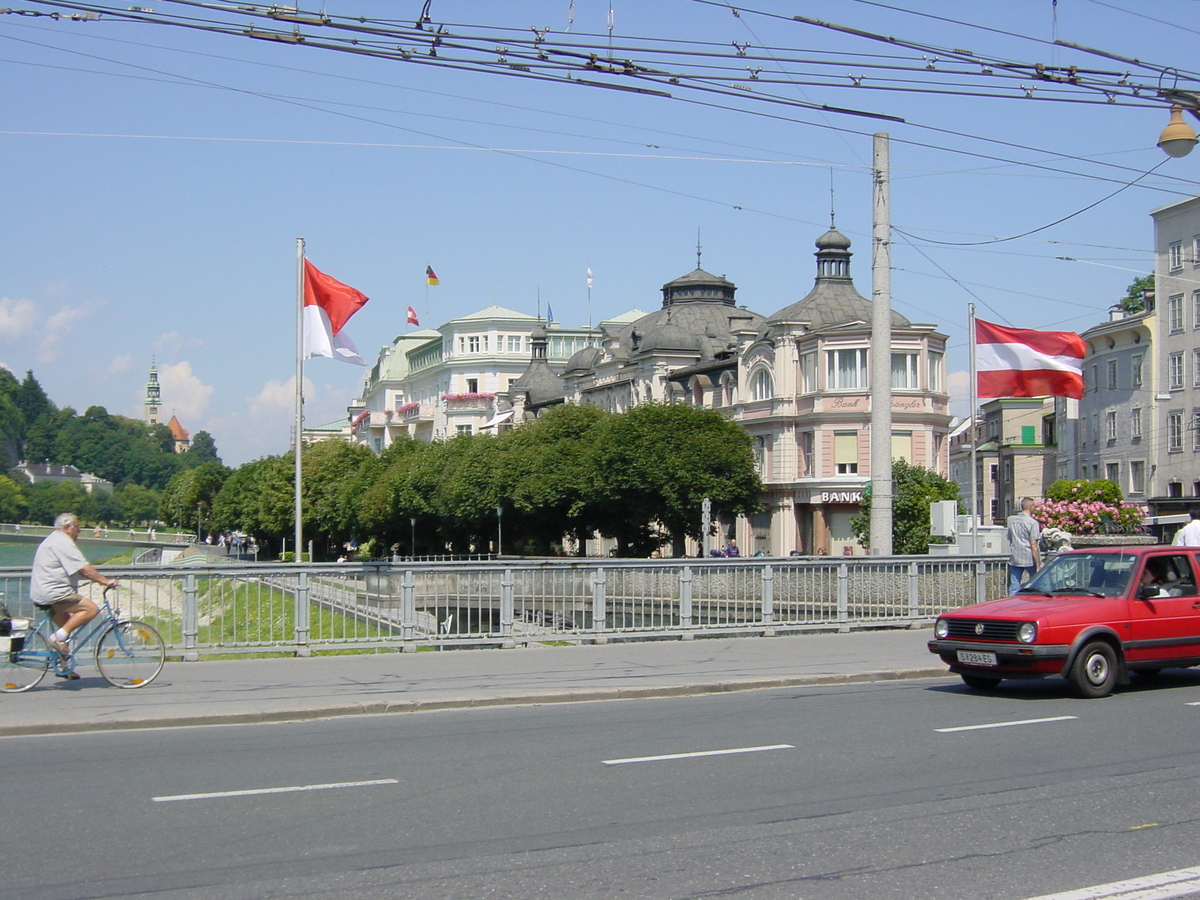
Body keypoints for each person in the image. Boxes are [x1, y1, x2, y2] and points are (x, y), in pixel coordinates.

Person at [30, 513, 119, 677]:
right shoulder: (63, 542)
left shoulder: (54, 539)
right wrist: (105, 581)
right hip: (55, 592)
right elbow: (84, 567)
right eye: (77, 527)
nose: (79, 531)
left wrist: (97, 579)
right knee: (91, 609)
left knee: (66, 628)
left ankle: (63, 667)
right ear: (67, 528)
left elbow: (78, 569)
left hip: (43, 591)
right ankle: (57, 639)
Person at [1006, 497, 1042, 595]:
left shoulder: (1012, 521)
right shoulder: (1032, 523)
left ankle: (1011, 605)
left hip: (1015, 556)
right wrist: (1038, 564)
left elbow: (1010, 538)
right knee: (1037, 583)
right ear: (1030, 507)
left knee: (1014, 585)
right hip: (1029, 557)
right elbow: (1034, 545)